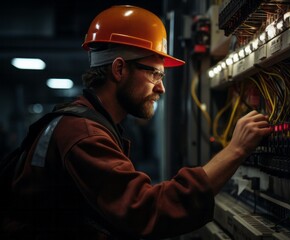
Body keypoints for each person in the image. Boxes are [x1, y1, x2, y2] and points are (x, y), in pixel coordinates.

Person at [0, 5, 271, 240]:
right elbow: (146, 211)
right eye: (155, 74)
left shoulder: (87, 123)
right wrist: (236, 149)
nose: (161, 88)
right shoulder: (83, 134)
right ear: (119, 69)